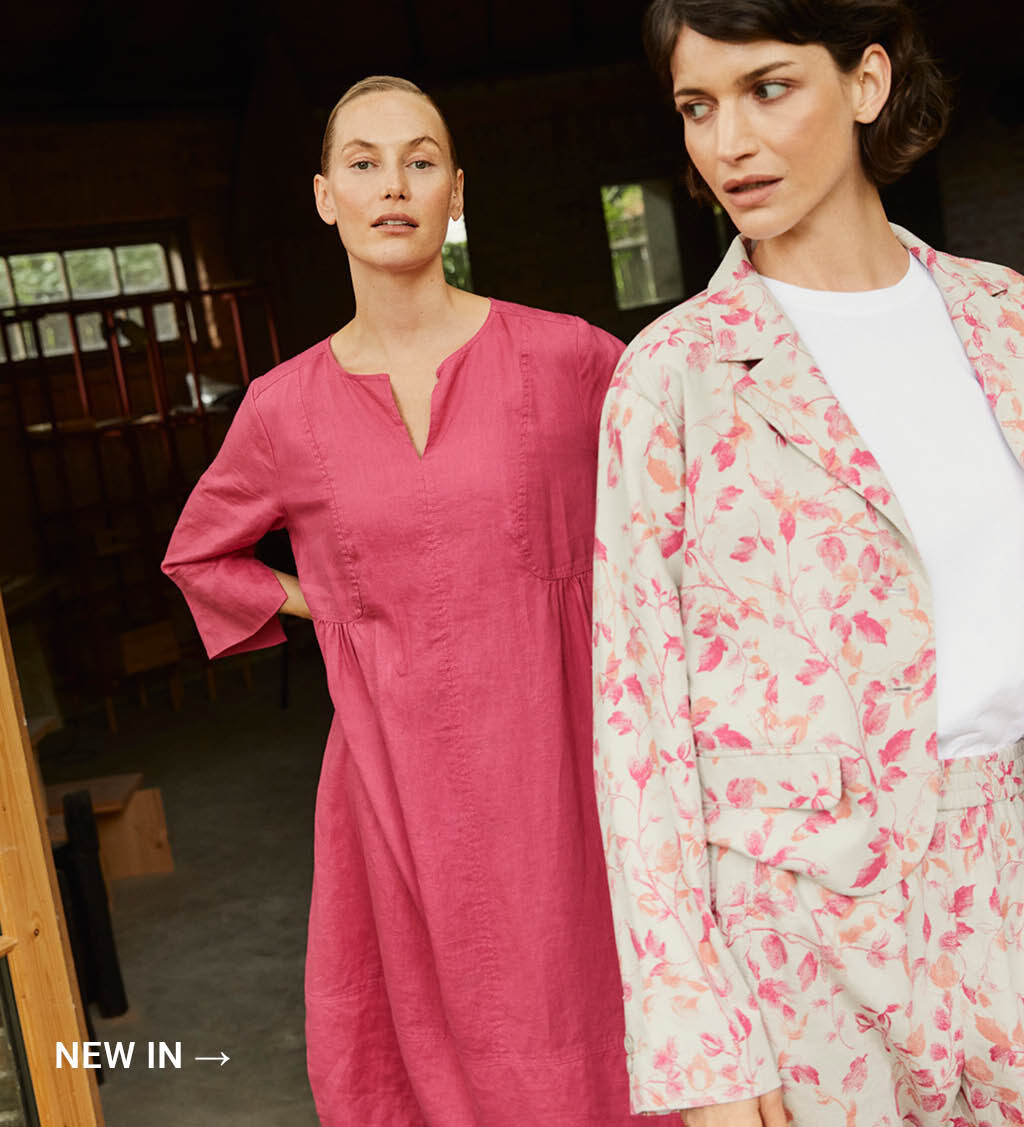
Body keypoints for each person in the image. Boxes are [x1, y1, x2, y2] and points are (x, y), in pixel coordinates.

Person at [161, 75, 646, 1126]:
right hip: (400, 775)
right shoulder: (283, 408)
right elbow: (199, 556)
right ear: (324, 196)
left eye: (420, 161)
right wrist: (334, 601)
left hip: (568, 764)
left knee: (594, 1017)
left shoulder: (567, 357)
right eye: (364, 163)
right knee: (441, 1037)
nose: (393, 185)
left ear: (455, 191)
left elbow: (684, 497)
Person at [592, 1, 1024, 1124]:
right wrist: (705, 1050)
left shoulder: (1005, 321)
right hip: (797, 952)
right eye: (697, 106)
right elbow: (636, 723)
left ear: (866, 82)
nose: (728, 142)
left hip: (1007, 885)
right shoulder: (673, 377)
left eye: (768, 88)